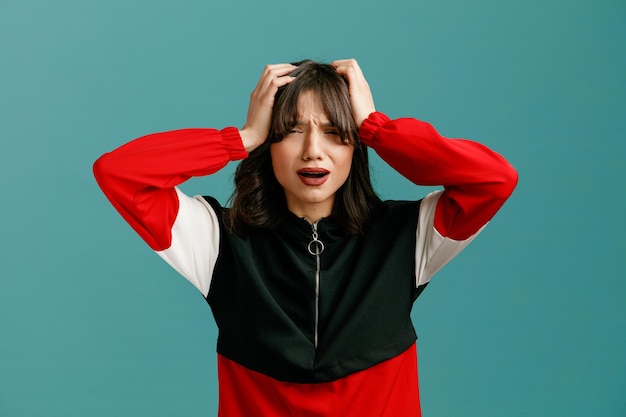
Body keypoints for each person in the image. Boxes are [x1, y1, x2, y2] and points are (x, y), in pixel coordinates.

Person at [93, 59, 517, 417]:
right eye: (292, 130)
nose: (314, 150)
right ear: (269, 144)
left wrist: (377, 127)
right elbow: (120, 174)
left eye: (335, 132)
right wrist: (239, 138)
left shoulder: (409, 235)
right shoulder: (218, 240)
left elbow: (493, 179)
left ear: (356, 145)